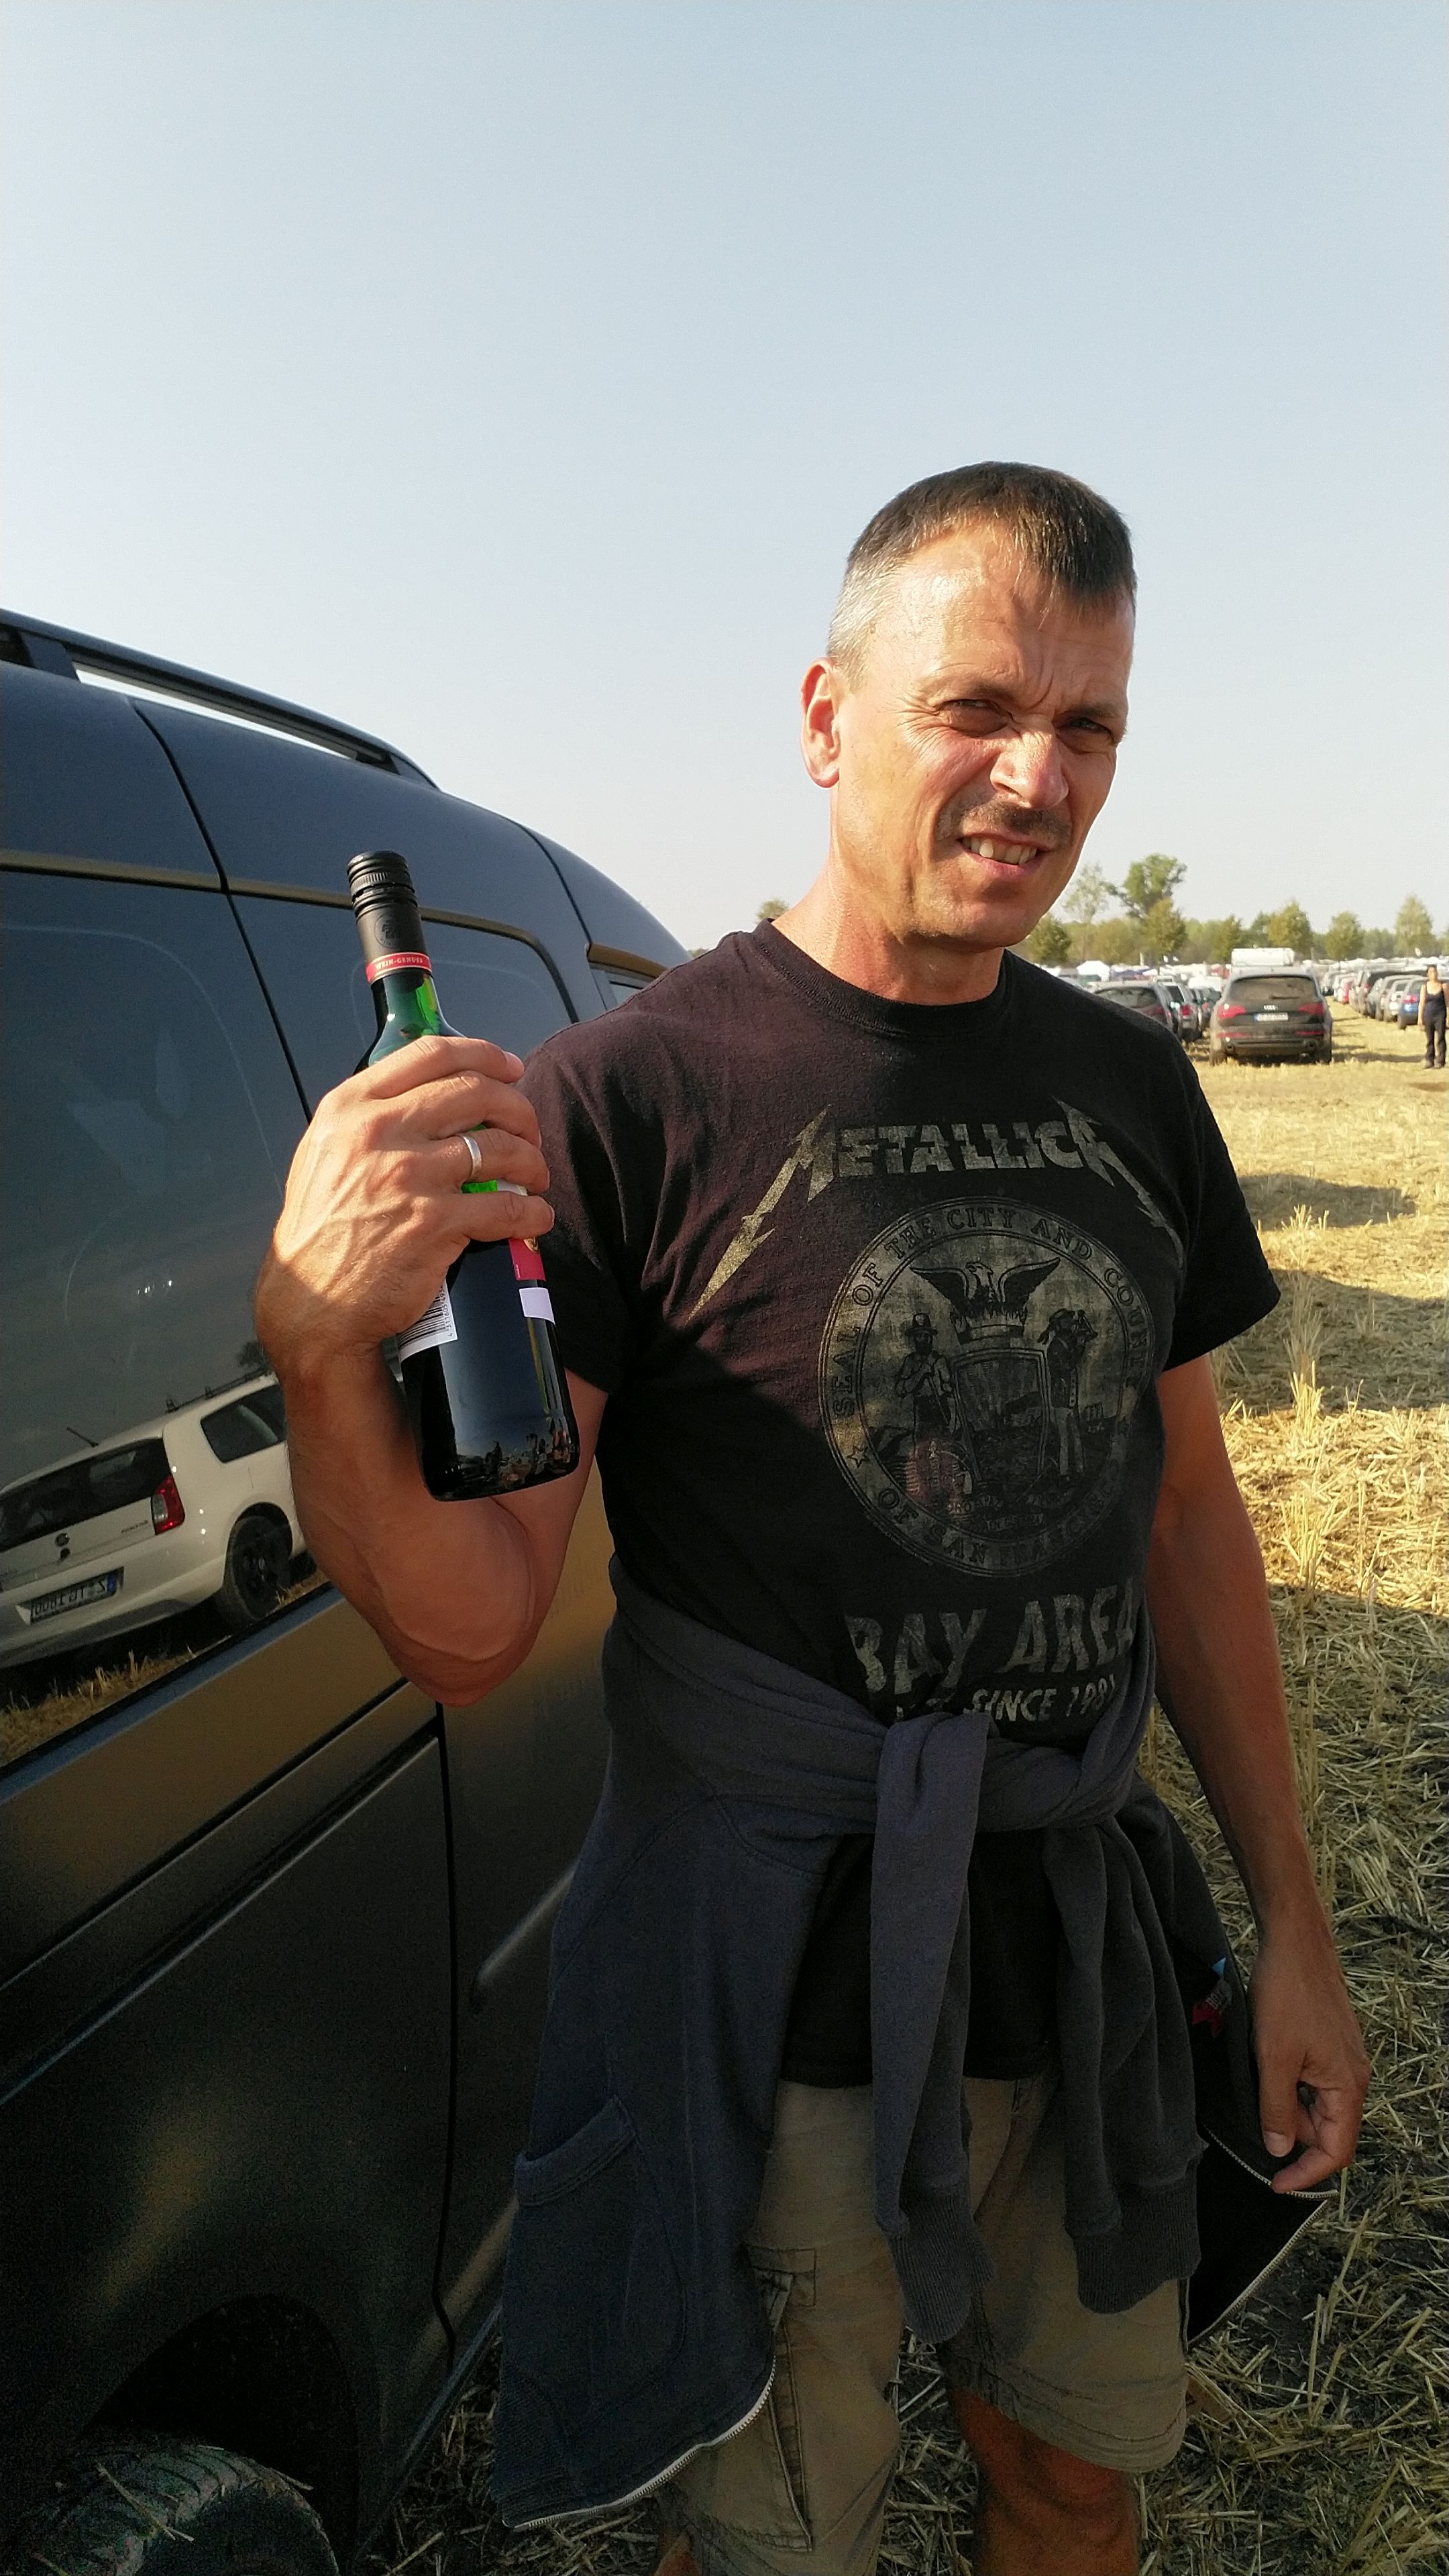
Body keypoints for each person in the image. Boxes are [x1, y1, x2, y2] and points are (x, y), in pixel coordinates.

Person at [256, 465, 1369, 2576]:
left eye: (1092, 725)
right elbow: (476, 1623)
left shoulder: (1135, 1087)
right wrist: (320, 1350)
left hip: (1076, 1940)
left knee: (1075, 2476)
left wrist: (1293, 1919)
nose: (1040, 777)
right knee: (774, 2540)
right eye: (979, 707)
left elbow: (1190, 1522)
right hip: (770, 1991)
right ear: (825, 714)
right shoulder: (628, 1101)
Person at [1417, 963, 1446, 1068]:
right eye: (1431, 972)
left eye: (1435, 971)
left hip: (1440, 1015)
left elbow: (1448, 1002)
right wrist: (1420, 1018)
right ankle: (1430, 1060)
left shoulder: (1443, 986)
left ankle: (1441, 1061)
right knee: (1430, 1038)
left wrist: (1448, 1016)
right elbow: (1422, 1003)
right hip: (1428, 1015)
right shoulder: (1424, 987)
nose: (1433, 974)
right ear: (1428, 975)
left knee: (1441, 1037)